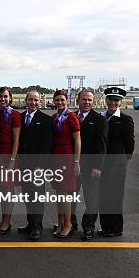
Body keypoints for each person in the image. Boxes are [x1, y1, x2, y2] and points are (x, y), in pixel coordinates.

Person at [99, 87, 135, 237]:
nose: (113, 102)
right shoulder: (101, 117)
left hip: (117, 164)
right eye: (110, 99)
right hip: (101, 163)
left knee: (115, 195)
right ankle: (106, 227)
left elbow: (130, 143)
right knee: (103, 195)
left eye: (116, 100)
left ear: (120, 102)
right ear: (106, 101)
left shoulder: (125, 119)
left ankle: (116, 228)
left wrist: (122, 159)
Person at [17, 90, 53, 240]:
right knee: (27, 195)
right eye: (30, 100)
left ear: (40, 102)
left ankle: (37, 227)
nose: (33, 102)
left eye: (36, 100)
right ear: (26, 101)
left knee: (37, 196)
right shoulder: (19, 118)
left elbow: (46, 145)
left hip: (37, 166)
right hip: (23, 165)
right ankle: (31, 223)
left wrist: (41, 166)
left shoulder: (45, 119)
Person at [74, 89, 108, 241]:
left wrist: (98, 166)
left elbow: (101, 146)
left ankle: (88, 227)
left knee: (91, 199)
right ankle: (70, 223)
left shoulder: (99, 120)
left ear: (93, 102)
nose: (87, 102)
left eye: (89, 100)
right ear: (77, 100)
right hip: (73, 166)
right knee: (70, 197)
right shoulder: (71, 117)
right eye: (84, 99)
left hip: (90, 167)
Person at [51, 89, 81, 239]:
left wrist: (76, 162)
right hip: (56, 158)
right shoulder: (54, 117)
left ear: (67, 101)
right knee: (58, 193)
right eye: (57, 100)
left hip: (67, 157)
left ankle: (68, 224)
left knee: (65, 193)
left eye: (62, 100)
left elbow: (77, 141)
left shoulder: (71, 117)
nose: (60, 102)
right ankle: (60, 222)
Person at [0, 86, 21, 235]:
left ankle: (6, 221)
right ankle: (3, 220)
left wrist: (12, 159)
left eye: (6, 96)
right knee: (2, 189)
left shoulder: (14, 115)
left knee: (8, 190)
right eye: (0, 96)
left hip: (9, 154)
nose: (3, 99)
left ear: (10, 98)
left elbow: (16, 139)